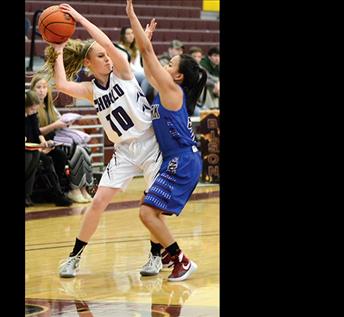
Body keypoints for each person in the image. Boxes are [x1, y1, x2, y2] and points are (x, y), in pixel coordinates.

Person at [41, 3, 162, 278]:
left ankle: (155, 257)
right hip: (124, 150)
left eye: (108, 55)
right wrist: (59, 52)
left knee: (151, 204)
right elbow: (61, 85)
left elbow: (106, 41)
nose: (107, 58)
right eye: (100, 56)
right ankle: (74, 257)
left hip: (150, 142)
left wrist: (79, 17)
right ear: (88, 63)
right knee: (97, 203)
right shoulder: (91, 90)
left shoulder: (122, 72)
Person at [127, 0, 208, 282]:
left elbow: (149, 55)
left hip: (183, 160)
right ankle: (166, 254)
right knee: (149, 208)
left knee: (147, 212)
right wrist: (143, 43)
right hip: (178, 159)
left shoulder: (172, 90)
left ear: (178, 75)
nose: (165, 63)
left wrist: (132, 17)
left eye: (170, 63)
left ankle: (180, 259)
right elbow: (148, 67)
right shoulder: (165, 87)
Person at [30, 73, 93, 203]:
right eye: (38, 87)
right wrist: (55, 125)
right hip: (40, 143)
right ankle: (74, 189)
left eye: (44, 87)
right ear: (32, 89)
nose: (42, 91)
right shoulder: (31, 107)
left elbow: (59, 123)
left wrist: (65, 123)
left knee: (85, 148)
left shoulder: (50, 107)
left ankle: (84, 188)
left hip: (55, 141)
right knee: (77, 151)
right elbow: (34, 132)